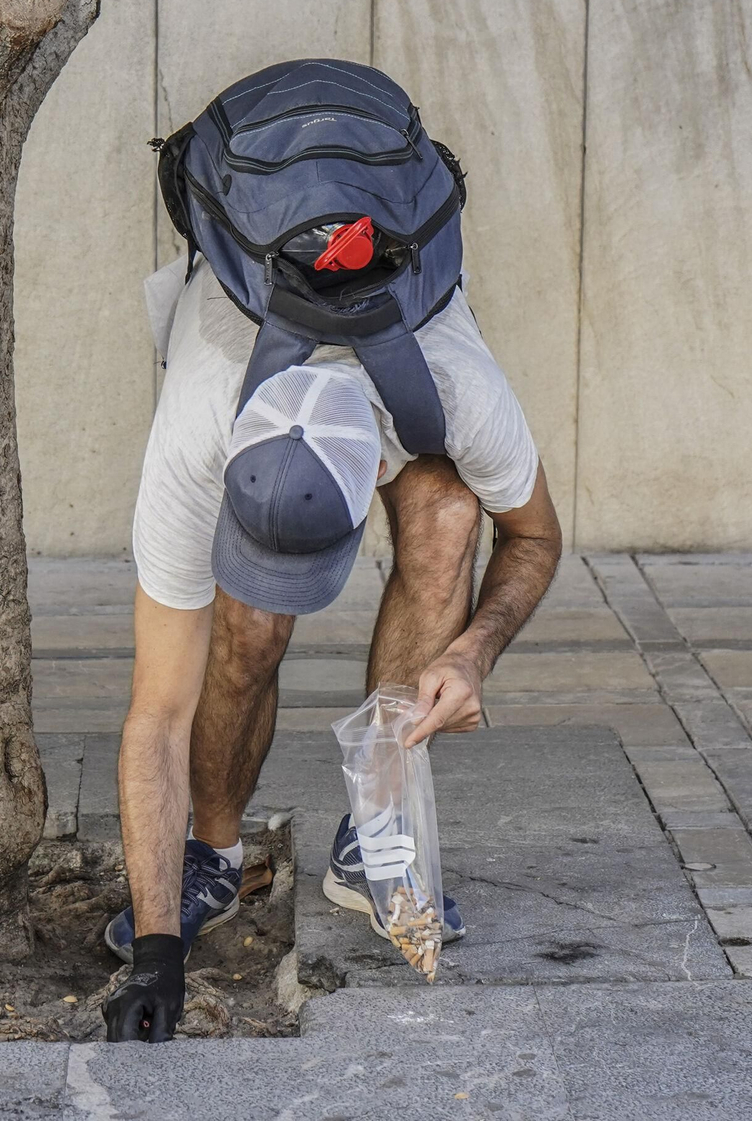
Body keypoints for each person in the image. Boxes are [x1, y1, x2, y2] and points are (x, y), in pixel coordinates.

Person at [100, 246, 562, 1042]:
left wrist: (470, 653)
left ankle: (376, 838)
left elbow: (537, 538)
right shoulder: (193, 444)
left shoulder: (460, 398)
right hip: (244, 332)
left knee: (450, 514)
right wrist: (154, 954)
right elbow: (157, 718)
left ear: (378, 470)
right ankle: (211, 854)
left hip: (401, 351)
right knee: (248, 624)